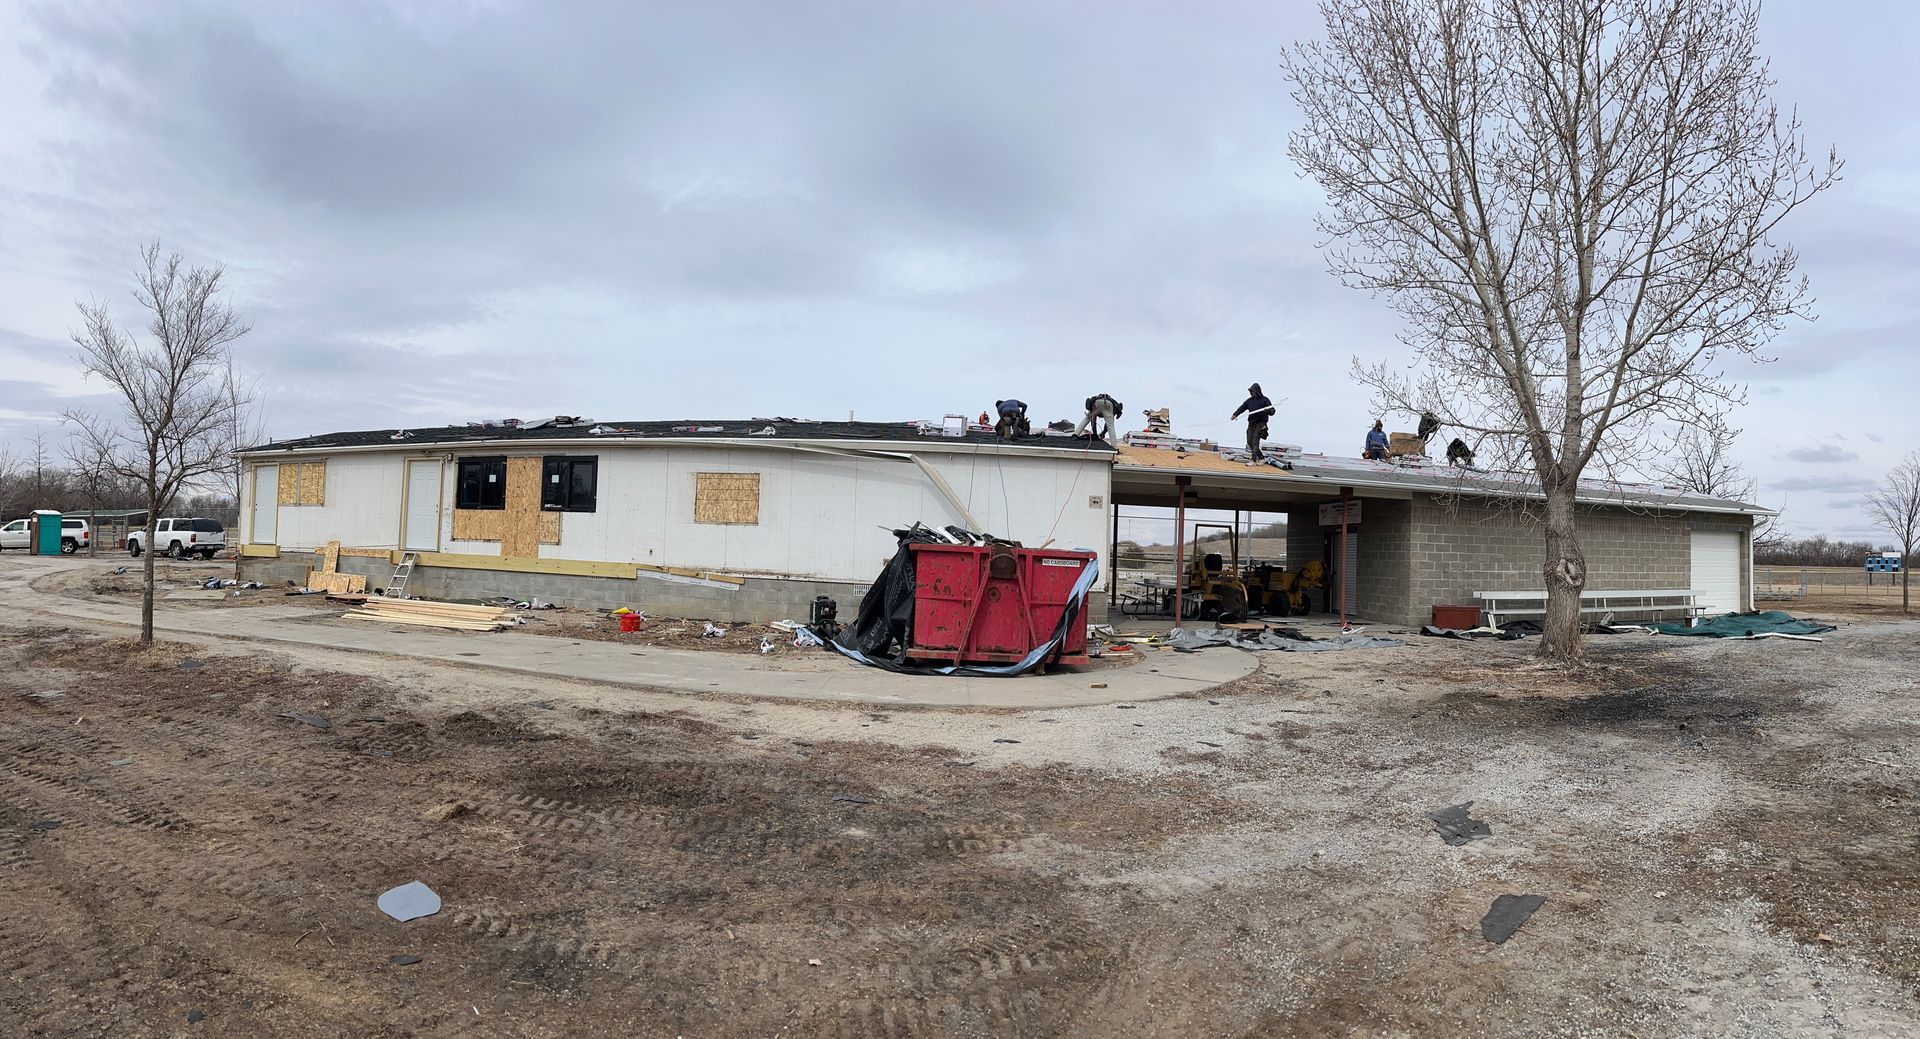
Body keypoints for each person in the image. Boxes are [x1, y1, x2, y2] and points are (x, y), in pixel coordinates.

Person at [1230, 384, 1274, 459]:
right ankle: (1261, 458)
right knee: (1249, 441)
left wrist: (1268, 410)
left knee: (1255, 441)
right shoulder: (1249, 401)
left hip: (1261, 424)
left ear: (1257, 391)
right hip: (1251, 424)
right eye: (1250, 391)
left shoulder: (1265, 400)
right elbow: (1242, 408)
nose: (1251, 393)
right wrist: (1235, 414)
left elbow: (1273, 411)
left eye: (1253, 391)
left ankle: (1253, 460)